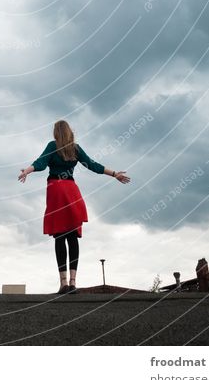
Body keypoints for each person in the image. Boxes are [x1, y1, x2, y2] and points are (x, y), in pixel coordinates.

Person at [18, 120, 131, 294]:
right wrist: (115, 174)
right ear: (70, 132)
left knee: (59, 237)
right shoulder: (75, 149)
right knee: (72, 237)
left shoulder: (52, 146)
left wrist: (27, 170)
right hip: (71, 192)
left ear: (56, 132)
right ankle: (73, 282)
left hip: (56, 190)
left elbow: (40, 163)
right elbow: (93, 165)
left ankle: (63, 283)